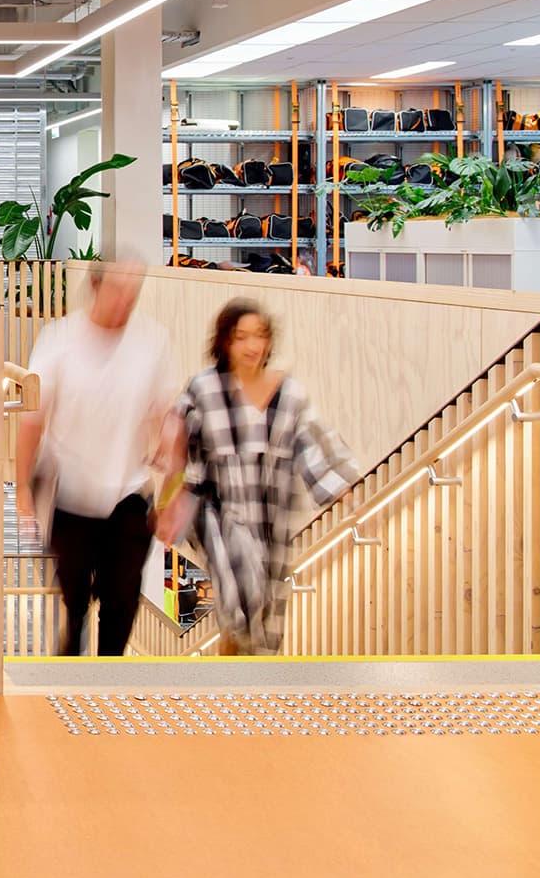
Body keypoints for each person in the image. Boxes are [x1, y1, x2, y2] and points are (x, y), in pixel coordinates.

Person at [157, 300, 354, 655]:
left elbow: (311, 443)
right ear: (224, 342)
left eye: (260, 336)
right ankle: (235, 684)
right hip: (216, 507)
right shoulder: (204, 389)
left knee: (263, 614)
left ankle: (239, 691)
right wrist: (169, 501)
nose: (253, 346)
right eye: (241, 337)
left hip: (270, 514)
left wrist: (343, 490)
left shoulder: (288, 393)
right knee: (238, 592)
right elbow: (177, 445)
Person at [17, 259, 178, 657]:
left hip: (128, 493)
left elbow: (168, 414)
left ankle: (107, 681)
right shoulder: (60, 339)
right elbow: (32, 420)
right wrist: (21, 487)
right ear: (95, 287)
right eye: (117, 291)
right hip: (69, 493)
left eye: (133, 292)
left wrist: (171, 484)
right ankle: (71, 666)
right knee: (75, 598)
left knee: (122, 598)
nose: (125, 301)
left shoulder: (151, 341)